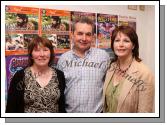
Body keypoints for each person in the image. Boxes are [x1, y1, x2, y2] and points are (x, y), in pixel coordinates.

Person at [57, 17, 111, 113]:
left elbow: (109, 86)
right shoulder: (63, 59)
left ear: (93, 37)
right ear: (72, 35)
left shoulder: (103, 57)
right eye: (80, 33)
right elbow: (59, 90)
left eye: (88, 34)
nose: (84, 38)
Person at [6, 36, 66, 113]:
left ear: (50, 53)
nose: (42, 54)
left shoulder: (59, 75)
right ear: (31, 54)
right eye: (37, 50)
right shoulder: (20, 76)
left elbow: (61, 106)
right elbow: (11, 108)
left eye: (45, 50)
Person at [103, 26, 154, 113]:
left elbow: (144, 113)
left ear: (133, 45)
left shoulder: (144, 73)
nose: (121, 44)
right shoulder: (111, 67)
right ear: (113, 44)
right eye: (117, 40)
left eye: (126, 41)